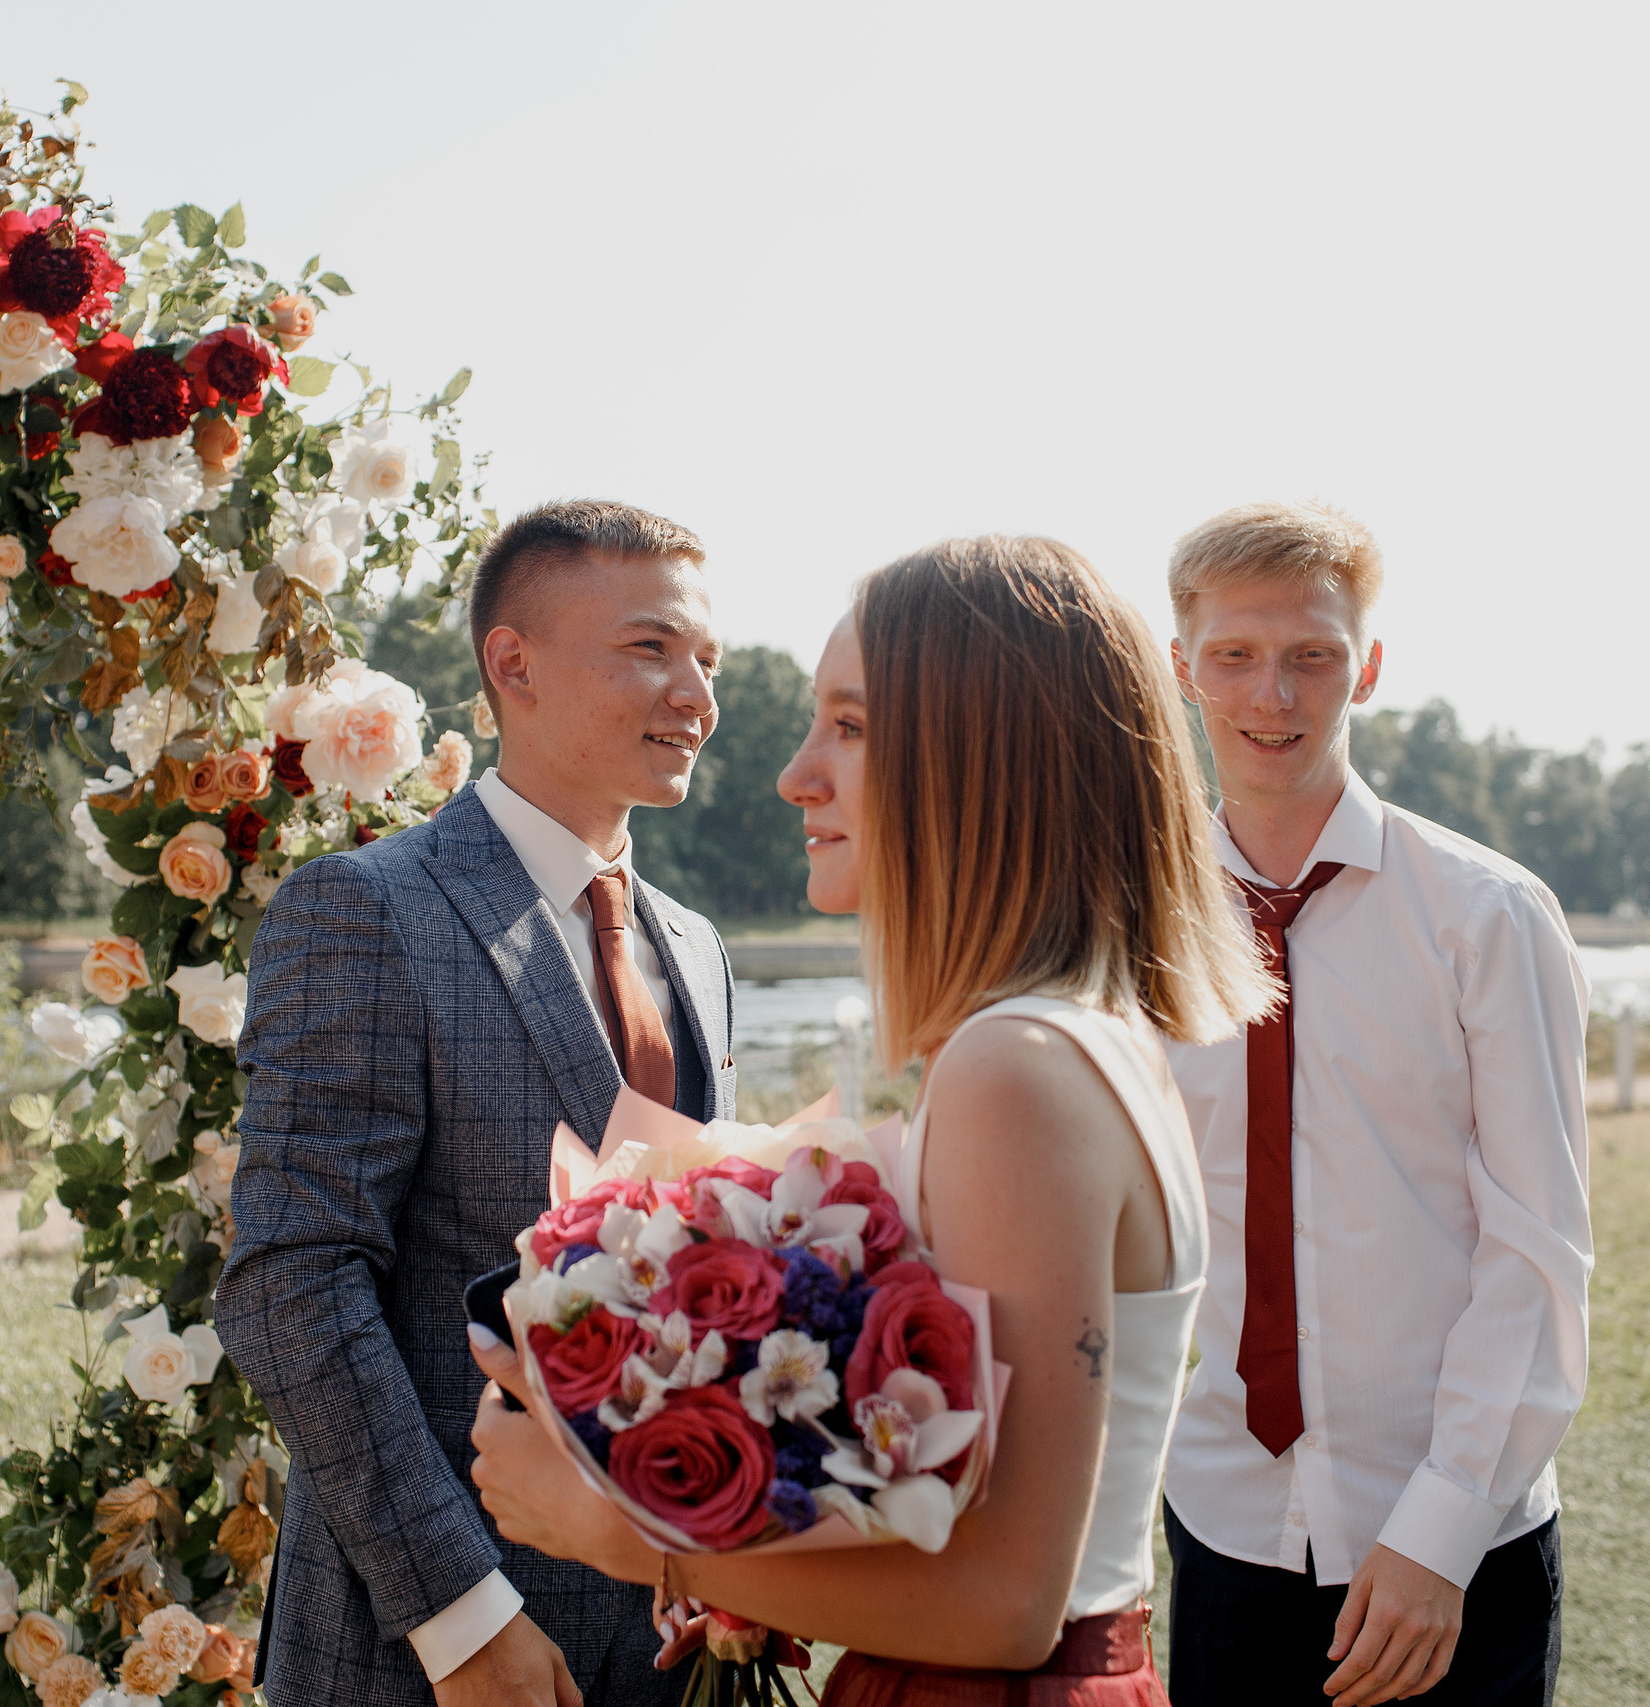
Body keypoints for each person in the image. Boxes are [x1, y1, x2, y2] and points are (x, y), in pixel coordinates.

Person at [468, 535, 1275, 1704]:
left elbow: (1006, 1607)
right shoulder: (1071, 1038)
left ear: (980, 760)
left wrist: (623, 1532)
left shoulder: (1020, 1067)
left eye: (848, 727)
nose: (797, 774)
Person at [214, 498, 740, 1707]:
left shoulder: (700, 949)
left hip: (671, 1646)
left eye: (705, 660)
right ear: (514, 663)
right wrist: (461, 1621)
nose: (695, 696)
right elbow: (291, 1284)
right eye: (651, 649)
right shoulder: (366, 911)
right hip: (432, 1653)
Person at [1157, 501, 1591, 1707]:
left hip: (1457, 1543)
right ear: (1182, 668)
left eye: (1312, 656)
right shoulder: (1133, 927)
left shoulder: (1488, 917)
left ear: (1370, 668)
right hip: (1226, 1525)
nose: (1273, 696)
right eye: (1235, 656)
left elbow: (1537, 1251)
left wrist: (1440, 1529)